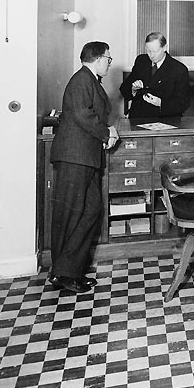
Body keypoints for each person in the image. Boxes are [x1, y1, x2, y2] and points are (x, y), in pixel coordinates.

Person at [48, 41, 119, 293]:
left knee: (91, 210)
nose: (109, 63)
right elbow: (82, 115)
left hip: (84, 157)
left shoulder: (90, 80)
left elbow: (91, 115)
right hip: (74, 157)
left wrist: (107, 130)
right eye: (108, 59)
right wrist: (107, 133)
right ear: (98, 59)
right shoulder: (81, 80)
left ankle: (69, 270)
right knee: (70, 215)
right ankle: (61, 273)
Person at [119, 32, 190, 119]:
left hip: (164, 120)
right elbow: (123, 89)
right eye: (148, 51)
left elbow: (183, 104)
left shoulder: (179, 69)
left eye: (155, 51)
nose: (151, 55)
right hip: (138, 118)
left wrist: (161, 103)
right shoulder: (141, 61)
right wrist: (133, 90)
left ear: (165, 48)